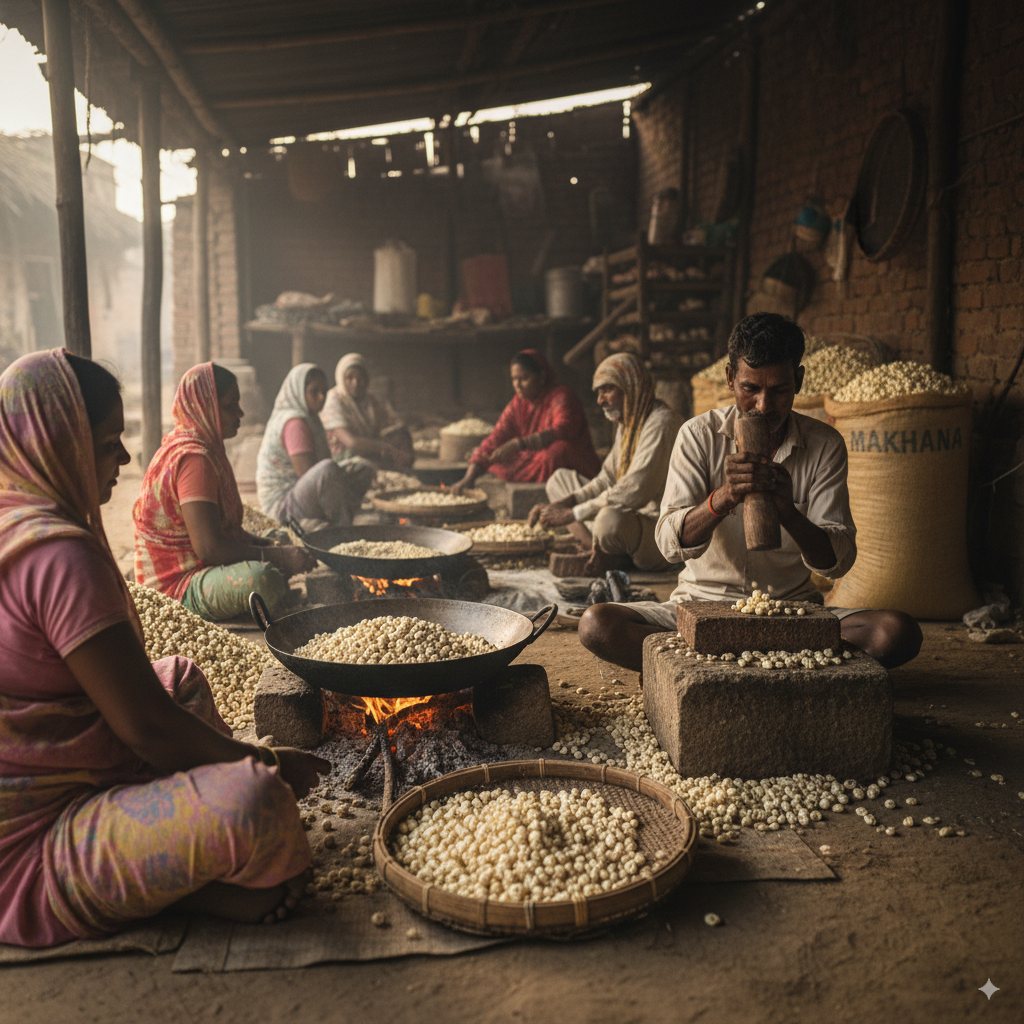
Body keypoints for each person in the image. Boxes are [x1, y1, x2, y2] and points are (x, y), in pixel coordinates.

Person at [0, 349, 330, 948]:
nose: (125, 458)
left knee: (178, 676)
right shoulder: (59, 558)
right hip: (30, 841)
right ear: (57, 445)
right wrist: (265, 763)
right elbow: (147, 731)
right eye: (108, 444)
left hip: (55, 762)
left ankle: (169, 856)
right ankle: (179, 882)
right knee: (257, 801)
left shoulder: (14, 519)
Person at [579, 313, 923, 672]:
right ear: (731, 378)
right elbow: (668, 543)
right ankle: (782, 667)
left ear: (799, 381)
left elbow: (837, 563)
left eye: (779, 390)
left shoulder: (825, 444)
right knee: (598, 624)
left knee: (895, 632)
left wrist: (787, 511)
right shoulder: (698, 435)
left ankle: (711, 667)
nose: (763, 405)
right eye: (750, 389)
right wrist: (723, 497)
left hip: (792, 612)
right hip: (702, 606)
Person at [133, 362, 316, 622]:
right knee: (263, 579)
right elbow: (209, 549)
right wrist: (276, 556)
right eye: (230, 406)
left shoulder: (205, 448)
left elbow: (225, 530)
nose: (240, 413)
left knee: (278, 537)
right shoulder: (194, 459)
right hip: (176, 587)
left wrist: (268, 545)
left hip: (200, 564)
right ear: (204, 408)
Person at [527, 352, 683, 575]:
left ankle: (609, 556)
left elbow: (633, 493)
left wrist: (572, 514)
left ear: (631, 387)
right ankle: (599, 552)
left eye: (607, 389)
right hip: (631, 521)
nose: (601, 400)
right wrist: (566, 503)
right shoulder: (629, 422)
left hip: (658, 532)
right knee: (558, 480)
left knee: (608, 519)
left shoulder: (661, 423)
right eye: (598, 392)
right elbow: (607, 478)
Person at [451, 349, 600, 493]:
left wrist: (519, 444)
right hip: (534, 459)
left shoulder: (562, 396)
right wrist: (468, 478)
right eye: (514, 379)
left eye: (524, 378)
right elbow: (496, 436)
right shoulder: (518, 404)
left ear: (541, 377)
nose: (518, 385)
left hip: (569, 461)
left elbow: (563, 430)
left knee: (558, 451)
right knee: (496, 456)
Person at [256, 362, 375, 533]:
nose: (321, 397)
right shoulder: (295, 423)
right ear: (298, 392)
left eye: (323, 392)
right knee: (328, 470)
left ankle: (337, 517)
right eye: (314, 392)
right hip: (284, 506)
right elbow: (310, 474)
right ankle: (343, 529)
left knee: (362, 468)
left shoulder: (310, 417)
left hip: (303, 493)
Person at [321, 352, 414, 470]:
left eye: (360, 378)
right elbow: (351, 442)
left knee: (401, 436)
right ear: (341, 378)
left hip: (366, 457)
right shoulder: (334, 400)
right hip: (342, 462)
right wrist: (383, 447)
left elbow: (384, 426)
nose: (355, 383)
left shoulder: (369, 401)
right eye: (350, 378)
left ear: (367, 379)